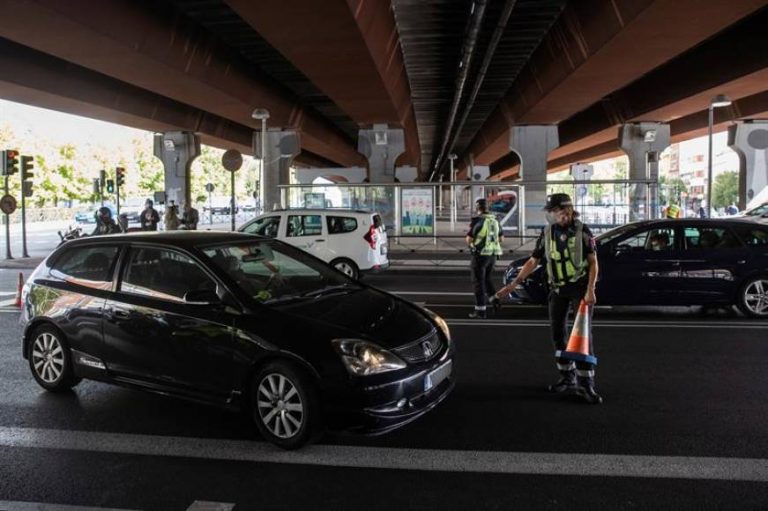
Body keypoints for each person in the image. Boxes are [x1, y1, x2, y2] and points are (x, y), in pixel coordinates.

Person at [491, 193, 602, 404]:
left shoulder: (583, 231)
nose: (551, 215)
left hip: (579, 289)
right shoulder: (548, 232)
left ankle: (586, 385)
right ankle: (567, 377)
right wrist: (513, 284)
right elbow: (533, 261)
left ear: (567, 210)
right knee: (558, 334)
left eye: (554, 211)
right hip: (557, 289)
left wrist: (590, 289)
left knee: (582, 337)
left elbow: (593, 262)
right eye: (550, 212)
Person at [466, 198, 503, 319]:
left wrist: (473, 245)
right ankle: (495, 300)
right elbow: (501, 239)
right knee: (487, 279)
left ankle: (480, 311)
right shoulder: (495, 220)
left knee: (478, 282)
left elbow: (469, 239)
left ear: (478, 208)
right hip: (492, 256)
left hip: (480, 255)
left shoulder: (478, 221)